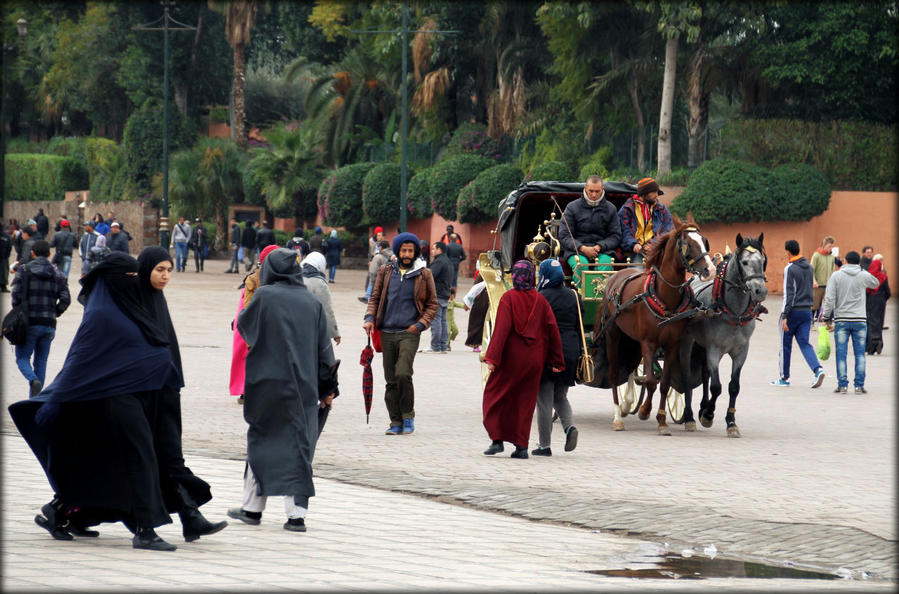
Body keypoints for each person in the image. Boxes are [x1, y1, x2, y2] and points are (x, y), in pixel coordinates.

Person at [9, 253, 181, 550]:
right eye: (128, 277)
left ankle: (58, 512)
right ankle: (145, 530)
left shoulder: (132, 308)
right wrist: (54, 401)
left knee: (105, 462)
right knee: (141, 458)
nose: (134, 281)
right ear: (112, 280)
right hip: (110, 400)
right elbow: (78, 362)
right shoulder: (101, 316)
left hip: (134, 397)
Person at [227, 248, 338, 532]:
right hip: (302, 387)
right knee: (299, 447)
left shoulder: (264, 297)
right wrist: (328, 390)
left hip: (266, 384)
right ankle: (296, 515)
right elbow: (325, 350)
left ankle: (253, 508)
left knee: (261, 441)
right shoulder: (311, 303)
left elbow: (244, 325)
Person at [134, 247, 228, 542]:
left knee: (170, 456)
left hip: (166, 391)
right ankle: (62, 510)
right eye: (159, 269)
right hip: (144, 395)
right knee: (151, 458)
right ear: (145, 269)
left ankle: (191, 516)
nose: (165, 276)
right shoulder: (136, 301)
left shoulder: (157, 300)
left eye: (169, 270)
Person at [482, 260, 564, 459]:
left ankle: (497, 440)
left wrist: (492, 357)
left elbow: (501, 330)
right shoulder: (540, 300)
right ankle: (521, 447)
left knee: (495, 395)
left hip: (510, 359)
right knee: (525, 403)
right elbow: (553, 331)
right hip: (534, 360)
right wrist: (557, 361)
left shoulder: (508, 299)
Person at [363, 232, 438, 435]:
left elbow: (432, 304)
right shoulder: (385, 271)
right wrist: (369, 318)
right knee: (390, 379)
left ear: (415, 252)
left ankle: (408, 416)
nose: (407, 254)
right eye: (403, 250)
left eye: (410, 250)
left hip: (409, 332)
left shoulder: (424, 274)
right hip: (386, 332)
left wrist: (420, 325)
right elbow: (375, 298)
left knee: (403, 373)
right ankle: (395, 421)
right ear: (397, 251)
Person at [532, 258, 580, 456]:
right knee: (560, 396)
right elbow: (579, 323)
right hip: (570, 350)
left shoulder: (541, 296)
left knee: (544, 400)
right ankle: (569, 427)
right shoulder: (573, 296)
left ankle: (544, 445)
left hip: (549, 351)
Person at [11, 240, 71, 397]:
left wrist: (19, 310)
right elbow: (66, 299)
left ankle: (32, 380)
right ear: (49, 254)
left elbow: (15, 295)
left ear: (32, 253)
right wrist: (55, 312)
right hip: (49, 324)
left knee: (22, 358)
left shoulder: (24, 270)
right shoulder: (58, 273)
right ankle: (35, 399)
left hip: (28, 323)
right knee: (41, 361)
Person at [822, 251, 880, 393]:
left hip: (841, 319)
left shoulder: (836, 276)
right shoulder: (863, 274)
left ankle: (842, 385)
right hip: (860, 320)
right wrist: (862, 271)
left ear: (845, 261)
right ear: (859, 262)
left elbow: (829, 298)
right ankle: (859, 386)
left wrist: (826, 317)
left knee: (841, 353)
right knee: (860, 354)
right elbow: (875, 283)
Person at [230, 244, 280, 406]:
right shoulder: (254, 279)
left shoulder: (278, 278)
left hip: (255, 324)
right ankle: (247, 392)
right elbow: (247, 307)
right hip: (249, 324)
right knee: (248, 358)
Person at [772, 240, 826, 388]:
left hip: (793, 312)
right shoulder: (809, 267)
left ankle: (784, 378)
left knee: (785, 345)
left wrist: (784, 316)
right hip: (807, 311)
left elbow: (789, 294)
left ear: (788, 252)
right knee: (804, 343)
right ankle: (817, 369)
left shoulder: (790, 268)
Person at [558, 175, 622, 289]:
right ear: (585, 189)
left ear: (602, 189)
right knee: (581, 267)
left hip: (604, 251)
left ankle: (602, 302)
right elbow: (564, 236)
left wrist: (599, 247)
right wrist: (582, 248)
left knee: (605, 266)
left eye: (597, 191)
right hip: (576, 251)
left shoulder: (611, 208)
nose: (593, 195)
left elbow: (616, 235)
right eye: (591, 191)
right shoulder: (572, 207)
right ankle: (581, 302)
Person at [617, 177, 674, 264]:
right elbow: (624, 232)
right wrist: (634, 245)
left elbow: (669, 229)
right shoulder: (627, 209)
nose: (656, 195)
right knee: (638, 273)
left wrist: (654, 244)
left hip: (657, 251)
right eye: (654, 192)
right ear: (644, 193)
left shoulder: (661, 209)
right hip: (634, 252)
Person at [301, 251, 341, 344]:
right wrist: (335, 333)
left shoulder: (295, 277)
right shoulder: (319, 283)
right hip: (311, 329)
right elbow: (327, 310)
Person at [423, 241, 453, 354]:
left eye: (433, 249)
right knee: (443, 321)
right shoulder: (448, 261)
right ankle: (443, 345)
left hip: (437, 294)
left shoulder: (439, 261)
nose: (432, 251)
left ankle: (435, 346)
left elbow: (429, 275)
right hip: (445, 294)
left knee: (436, 320)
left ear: (439, 250)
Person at [864, 255, 890, 355]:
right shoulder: (883, 277)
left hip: (870, 301)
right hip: (880, 302)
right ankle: (879, 342)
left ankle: (871, 346)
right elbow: (888, 292)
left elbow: (865, 291)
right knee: (879, 323)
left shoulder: (868, 277)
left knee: (869, 323)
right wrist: (883, 299)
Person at [810, 236, 836, 321]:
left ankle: (828, 323)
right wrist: (814, 281)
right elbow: (811, 270)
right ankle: (811, 322)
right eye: (829, 246)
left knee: (829, 304)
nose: (830, 248)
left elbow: (833, 271)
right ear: (824, 245)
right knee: (814, 305)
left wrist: (833, 282)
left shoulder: (831, 257)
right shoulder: (816, 255)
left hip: (828, 285)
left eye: (832, 246)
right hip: (818, 285)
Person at [0, 224, 12, 292]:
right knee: (3, 273)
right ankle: (3, 287)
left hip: (4, 256)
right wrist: (6, 256)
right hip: (4, 257)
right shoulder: (6, 236)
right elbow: (9, 247)